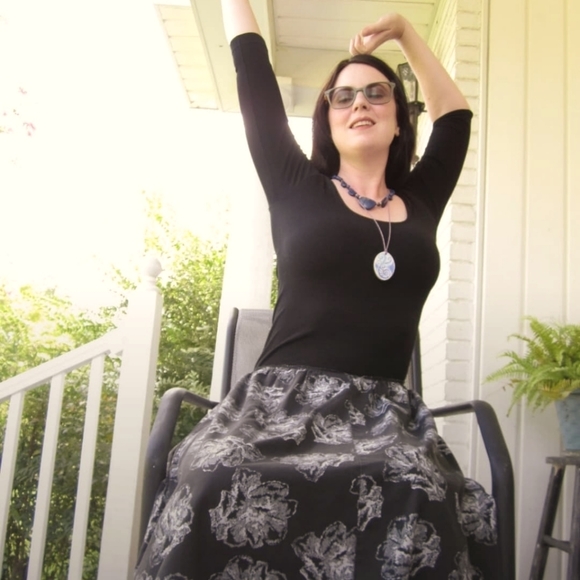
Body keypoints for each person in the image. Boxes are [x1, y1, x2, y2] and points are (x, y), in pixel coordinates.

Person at [135, 3, 499, 579]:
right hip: (277, 406)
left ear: (399, 120)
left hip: (386, 417)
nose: (360, 103)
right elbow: (253, 72)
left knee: (416, 486)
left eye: (377, 94)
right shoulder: (294, 184)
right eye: (343, 96)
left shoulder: (423, 198)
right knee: (217, 476)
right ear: (326, 121)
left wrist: (406, 33)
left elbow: (454, 118)